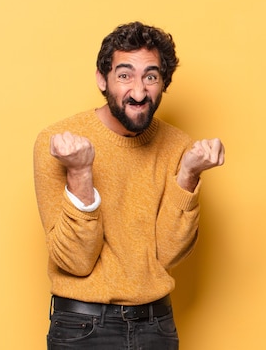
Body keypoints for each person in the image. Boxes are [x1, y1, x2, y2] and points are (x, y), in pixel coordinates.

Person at [33, 21, 225, 349]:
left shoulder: (178, 146)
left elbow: (165, 255)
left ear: (164, 82)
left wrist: (189, 175)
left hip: (156, 326)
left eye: (150, 77)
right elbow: (75, 262)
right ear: (101, 79)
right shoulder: (58, 143)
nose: (138, 92)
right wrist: (80, 173)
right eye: (124, 75)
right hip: (82, 328)